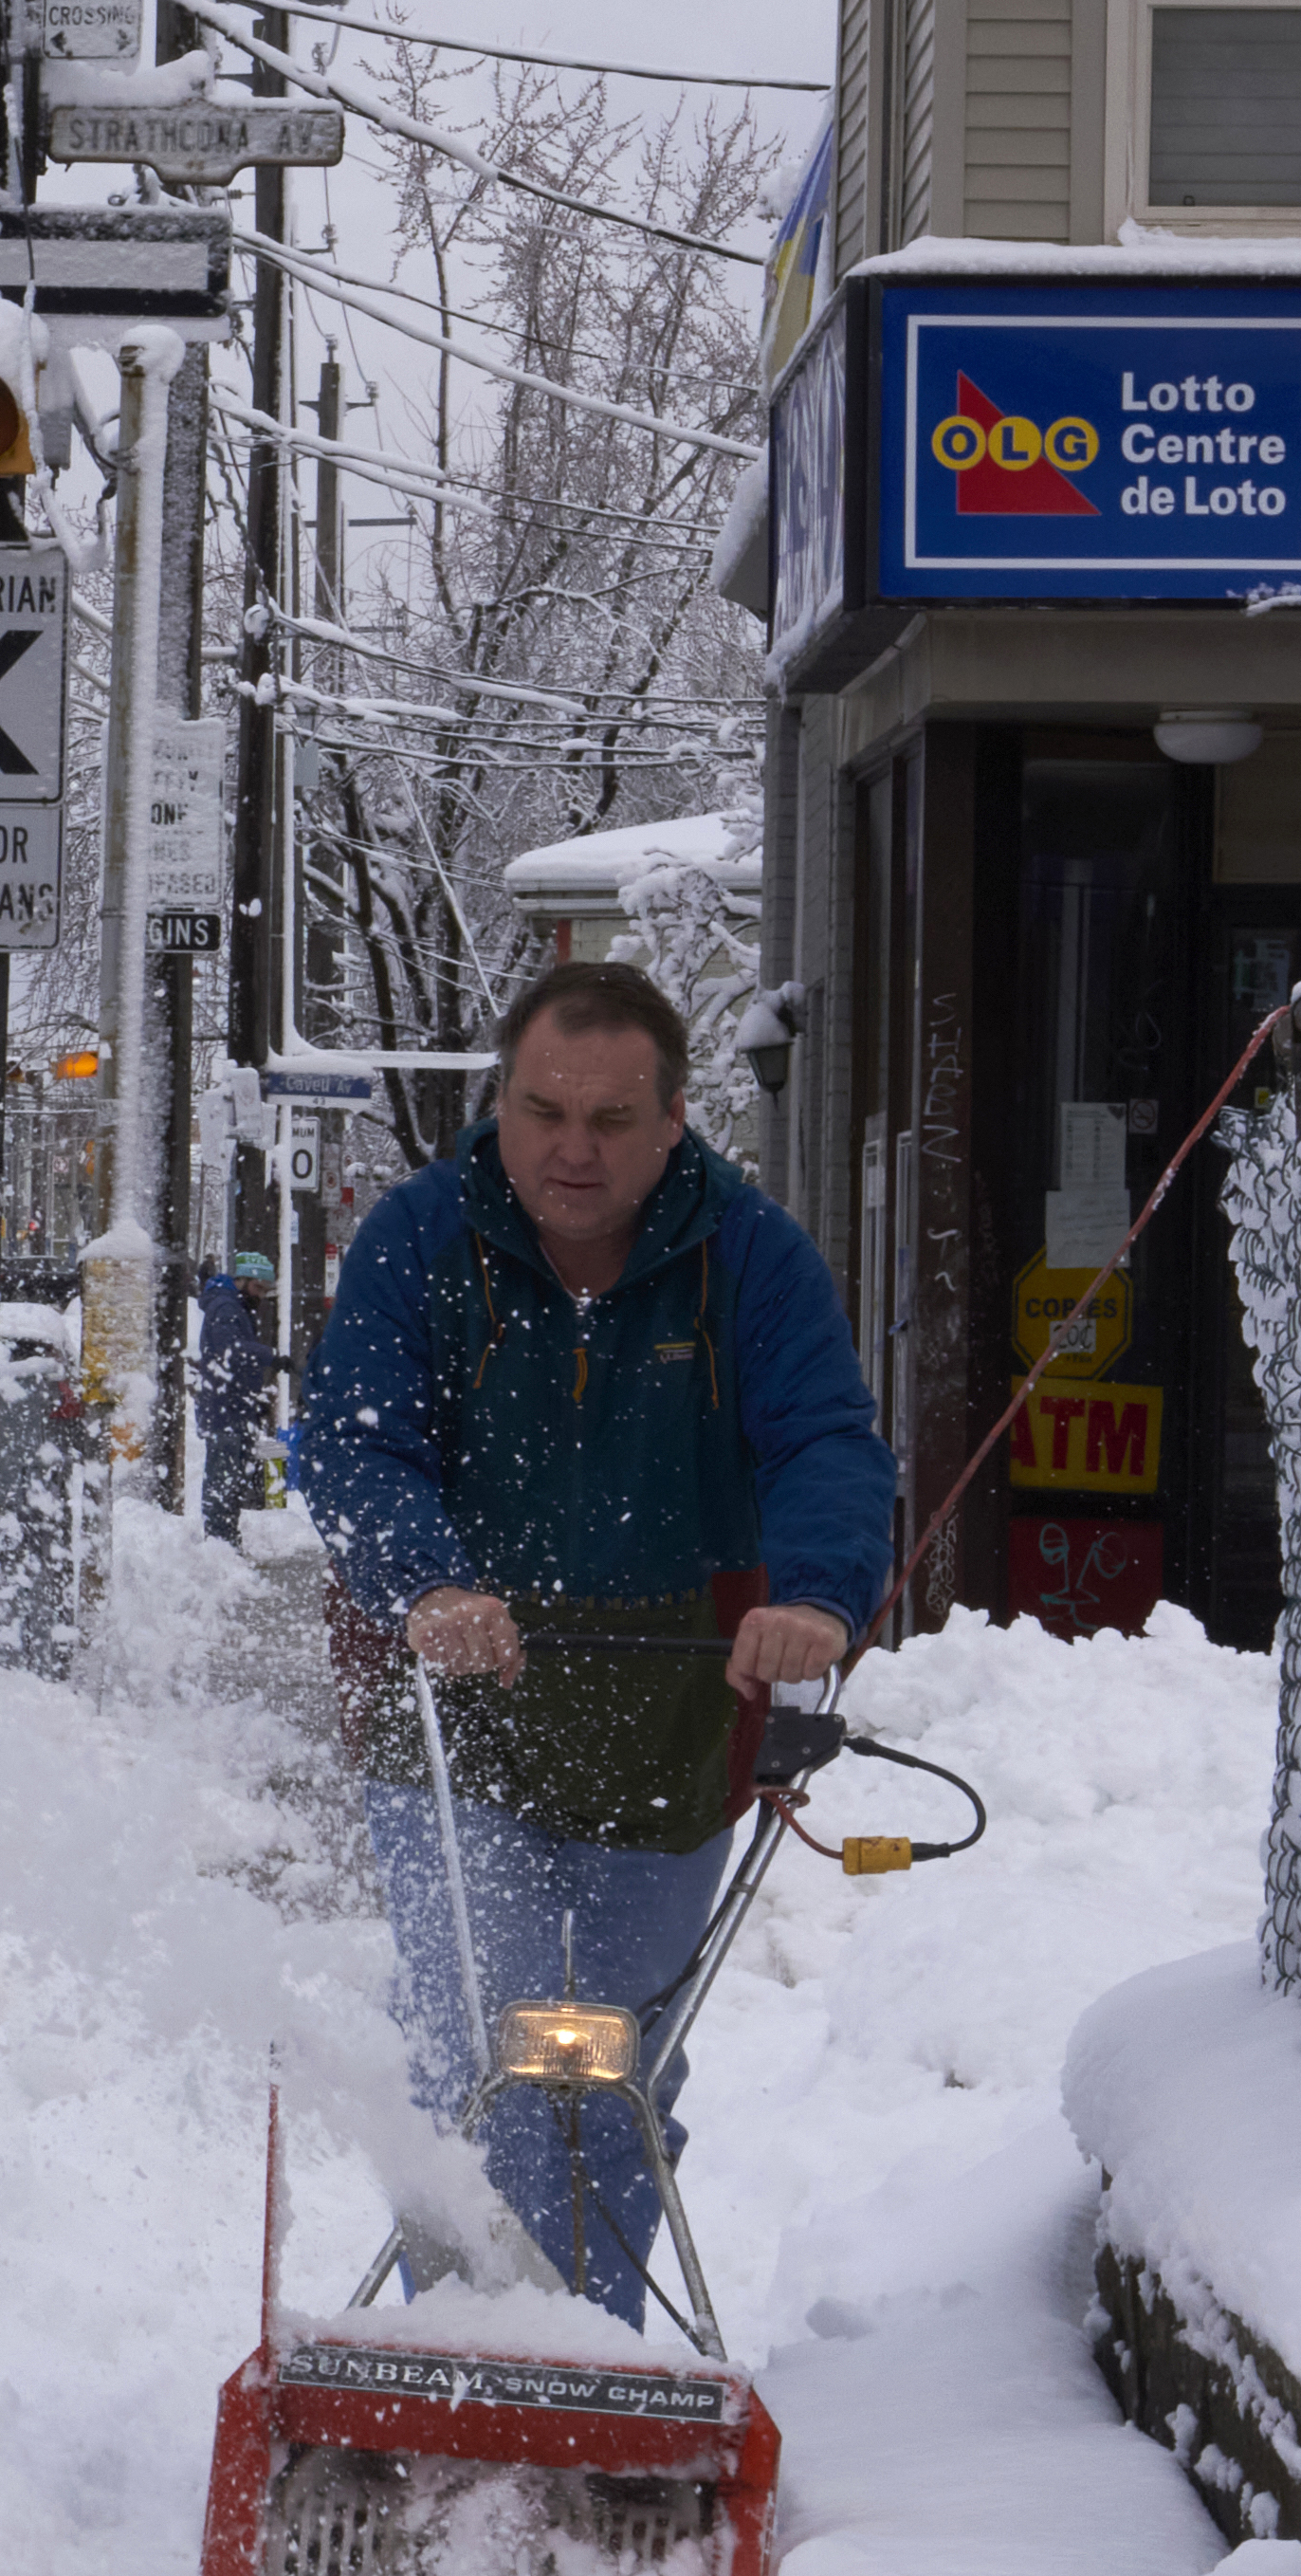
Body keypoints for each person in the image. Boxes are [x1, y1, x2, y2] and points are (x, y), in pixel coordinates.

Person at [294, 964, 888, 2321]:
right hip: (457, 1707)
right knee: (471, 2062)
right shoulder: (418, 1239)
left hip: (673, 1713)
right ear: (500, 1100)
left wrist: (816, 1596)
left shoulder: (750, 1255)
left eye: (612, 1119)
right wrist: (427, 1581)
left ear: (675, 1118)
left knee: (609, 2080)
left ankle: (591, 2370)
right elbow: (354, 1444)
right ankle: (453, 2356)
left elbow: (825, 1442)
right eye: (544, 1108)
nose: (574, 1146)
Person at [189, 1246, 281, 1540]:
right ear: (241, 1280)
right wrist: (271, 1356)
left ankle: (224, 1537)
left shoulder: (231, 1306)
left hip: (230, 1406)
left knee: (229, 1477)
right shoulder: (227, 1309)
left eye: (265, 1290)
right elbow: (232, 1351)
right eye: (258, 1287)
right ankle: (220, 1539)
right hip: (224, 1409)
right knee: (224, 1478)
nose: (261, 1295)